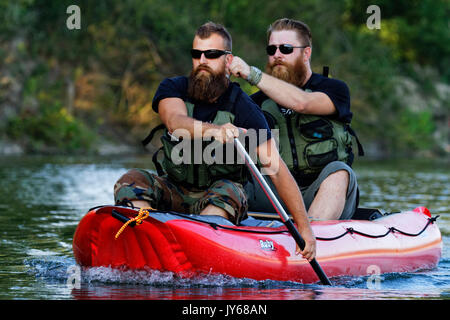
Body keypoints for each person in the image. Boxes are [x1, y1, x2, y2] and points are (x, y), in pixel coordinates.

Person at [113, 22, 316, 261]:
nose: (202, 61)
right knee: (132, 180)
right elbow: (175, 121)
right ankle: (148, 239)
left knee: (228, 191)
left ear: (228, 61)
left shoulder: (244, 108)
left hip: (219, 197)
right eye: (196, 54)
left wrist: (305, 228)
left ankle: (200, 246)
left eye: (211, 54)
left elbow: (277, 171)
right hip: (175, 190)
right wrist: (215, 131)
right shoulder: (173, 88)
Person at [229, 18, 363, 220]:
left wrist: (252, 75)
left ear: (306, 53)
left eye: (285, 49)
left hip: (318, 192)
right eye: (272, 50)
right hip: (274, 195)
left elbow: (303, 103)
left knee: (340, 173)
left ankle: (313, 239)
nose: (277, 55)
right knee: (231, 178)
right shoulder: (254, 103)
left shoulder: (334, 89)